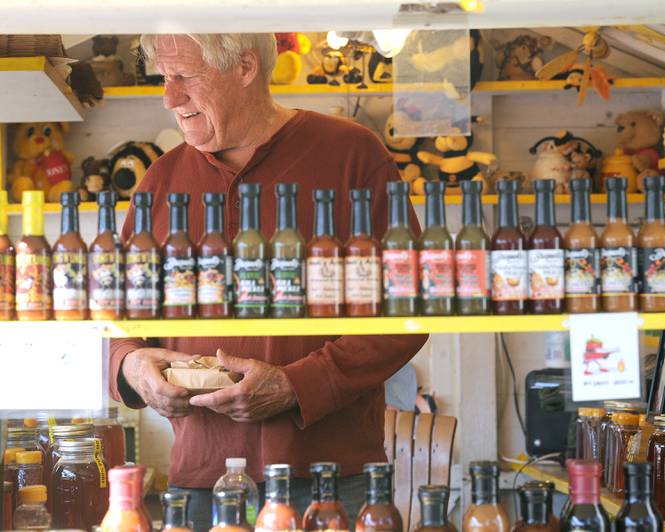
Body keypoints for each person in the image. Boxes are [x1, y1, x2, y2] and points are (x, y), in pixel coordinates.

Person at [109, 33, 428, 531]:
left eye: (187, 78)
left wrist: (296, 386)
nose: (170, 98)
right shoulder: (158, 182)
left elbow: (410, 313)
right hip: (200, 482)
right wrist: (130, 364)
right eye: (164, 79)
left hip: (331, 478)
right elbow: (117, 319)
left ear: (245, 66)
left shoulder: (352, 155)